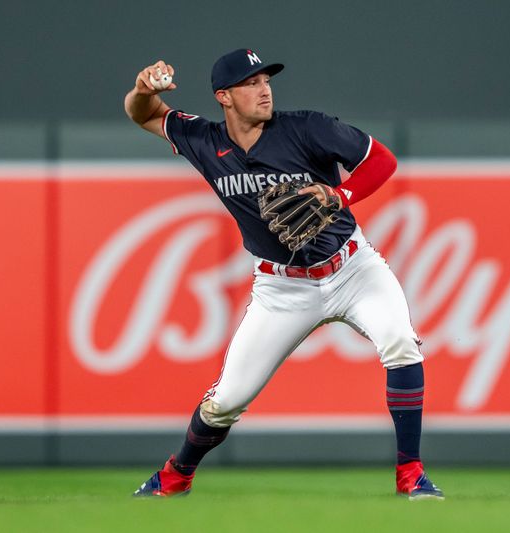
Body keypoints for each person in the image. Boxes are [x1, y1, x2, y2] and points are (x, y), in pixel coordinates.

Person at [125, 48, 443, 500]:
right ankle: (176, 475)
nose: (264, 89)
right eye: (251, 83)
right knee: (225, 403)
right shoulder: (204, 139)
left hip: (353, 268)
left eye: (266, 80)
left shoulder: (306, 127)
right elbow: (144, 114)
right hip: (281, 287)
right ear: (224, 97)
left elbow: (382, 161)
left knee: (401, 343)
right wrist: (141, 90)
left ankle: (411, 474)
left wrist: (339, 195)